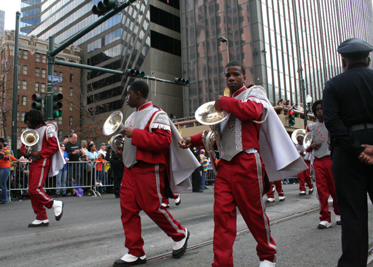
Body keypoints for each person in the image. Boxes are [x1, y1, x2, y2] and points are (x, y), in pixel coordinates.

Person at [179, 61, 279, 267]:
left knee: (254, 214)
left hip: (248, 162)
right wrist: (193, 139)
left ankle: (267, 255)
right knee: (222, 218)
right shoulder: (224, 104)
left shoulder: (254, 93)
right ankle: (222, 263)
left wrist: (224, 102)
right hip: (225, 166)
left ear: (244, 78)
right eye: (227, 75)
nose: (230, 78)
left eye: (235, 75)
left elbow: (254, 112)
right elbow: (215, 133)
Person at [113, 80, 199, 267]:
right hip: (130, 169)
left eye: (128, 94)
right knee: (127, 210)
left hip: (149, 168)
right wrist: (122, 151)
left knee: (153, 208)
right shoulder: (129, 118)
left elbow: (163, 141)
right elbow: (132, 141)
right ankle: (135, 251)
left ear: (137, 94)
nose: (126, 98)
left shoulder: (157, 114)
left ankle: (180, 233)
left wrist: (134, 134)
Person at [322, 38, 373, 267]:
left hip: (347, 152)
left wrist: (356, 148)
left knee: (352, 214)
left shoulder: (333, 84)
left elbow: (332, 122)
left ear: (344, 61)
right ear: (368, 59)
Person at [21, 110, 65, 227]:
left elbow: (54, 147)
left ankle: (53, 203)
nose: (27, 122)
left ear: (35, 119)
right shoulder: (28, 131)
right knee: (33, 190)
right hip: (34, 161)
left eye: (29, 120)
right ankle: (41, 217)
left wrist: (39, 153)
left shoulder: (47, 129)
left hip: (43, 161)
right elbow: (22, 147)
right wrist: (25, 153)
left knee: (34, 189)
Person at [307, 100, 340, 229]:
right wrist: (311, 145)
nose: (320, 111)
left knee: (335, 189)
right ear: (315, 112)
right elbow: (306, 144)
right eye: (317, 109)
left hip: (332, 159)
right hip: (318, 160)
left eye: (322, 108)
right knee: (321, 190)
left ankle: (339, 213)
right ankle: (325, 218)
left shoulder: (334, 124)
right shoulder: (311, 127)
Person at [0, 137, 17, 204]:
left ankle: (4, 199)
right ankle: (4, 198)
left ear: (2, 143)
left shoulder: (6, 149)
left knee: (3, 183)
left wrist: (1, 155)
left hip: (5, 167)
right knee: (0, 183)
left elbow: (8, 157)